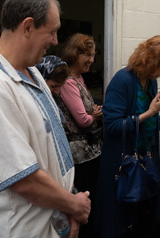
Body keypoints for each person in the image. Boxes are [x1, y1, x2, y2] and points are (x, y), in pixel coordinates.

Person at [0, 0, 91, 238]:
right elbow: (23, 179)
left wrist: (70, 204)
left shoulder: (33, 72)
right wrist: (74, 205)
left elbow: (52, 154)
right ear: (27, 27)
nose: (56, 41)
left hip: (53, 221)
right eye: (52, 31)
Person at [94, 35, 160, 238]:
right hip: (122, 166)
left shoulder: (150, 81)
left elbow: (150, 120)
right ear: (151, 59)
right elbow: (112, 126)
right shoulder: (122, 81)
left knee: (142, 221)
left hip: (143, 162)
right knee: (119, 224)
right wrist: (148, 113)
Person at [55, 33, 103, 237]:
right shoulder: (67, 80)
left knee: (90, 204)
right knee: (82, 205)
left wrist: (93, 112)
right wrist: (94, 115)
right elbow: (83, 120)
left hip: (90, 151)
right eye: (88, 55)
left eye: (93, 55)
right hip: (79, 157)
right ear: (75, 54)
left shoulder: (79, 78)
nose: (92, 60)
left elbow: (88, 110)